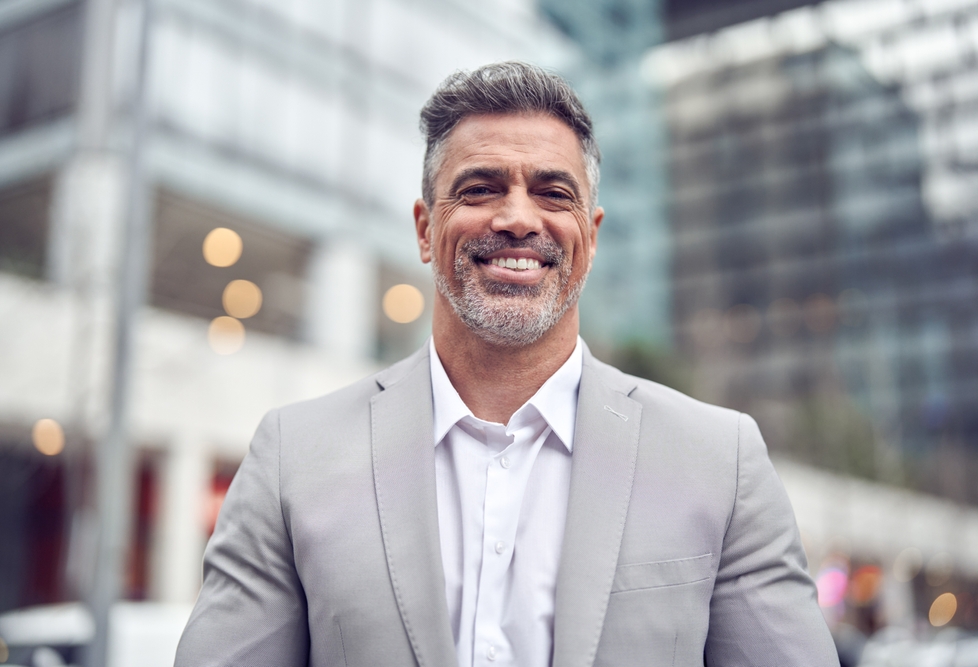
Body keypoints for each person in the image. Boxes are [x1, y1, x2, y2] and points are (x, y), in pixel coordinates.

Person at [175, 62, 838, 667]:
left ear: (592, 236)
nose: (519, 218)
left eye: (553, 193)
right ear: (424, 230)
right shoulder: (294, 457)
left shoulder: (722, 461)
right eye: (481, 188)